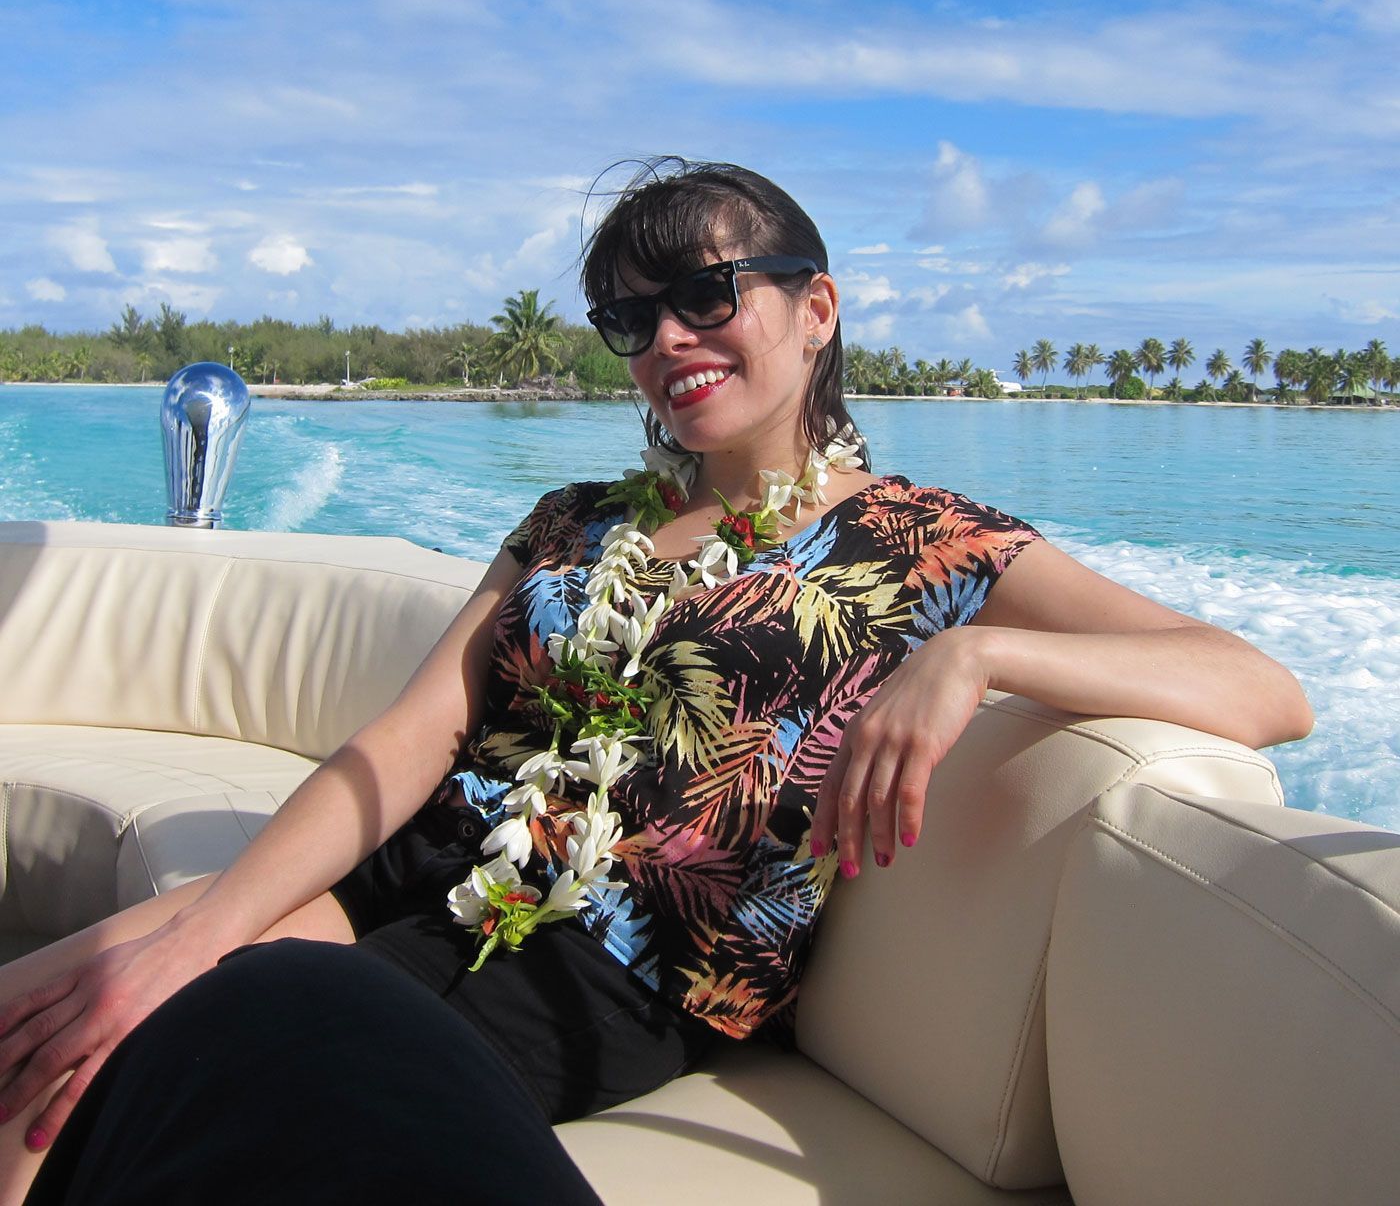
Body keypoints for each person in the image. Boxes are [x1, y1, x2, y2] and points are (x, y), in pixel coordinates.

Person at [0, 159, 1313, 1202]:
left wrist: (981, 651)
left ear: (816, 308)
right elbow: (411, 739)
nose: (665, 338)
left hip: (615, 961)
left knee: (115, 1069)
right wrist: (206, 920)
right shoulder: (574, 519)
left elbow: (1260, 686)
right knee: (40, 1024)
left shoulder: (919, 545)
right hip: (418, 865)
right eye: (631, 316)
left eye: (704, 295)